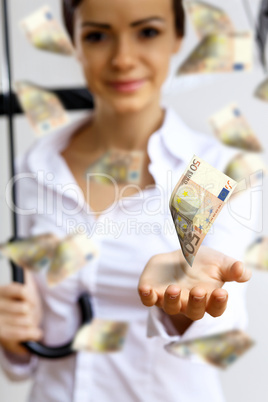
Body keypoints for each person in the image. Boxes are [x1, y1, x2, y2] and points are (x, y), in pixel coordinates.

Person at [0, 0, 256, 401]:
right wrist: (14, 341)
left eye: (147, 32)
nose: (122, 59)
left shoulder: (208, 171)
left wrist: (187, 304)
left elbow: (221, 330)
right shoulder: (35, 168)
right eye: (98, 36)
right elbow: (29, 356)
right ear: (75, 42)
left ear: (178, 37)